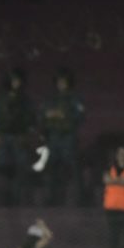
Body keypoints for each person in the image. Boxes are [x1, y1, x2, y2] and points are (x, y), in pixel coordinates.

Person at [0, 68, 37, 206]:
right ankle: (1, 199)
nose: (16, 83)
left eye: (18, 80)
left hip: (19, 137)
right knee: (1, 168)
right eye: (13, 80)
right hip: (3, 137)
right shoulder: (0, 99)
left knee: (20, 168)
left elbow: (31, 120)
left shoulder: (25, 101)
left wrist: (26, 135)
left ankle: (18, 199)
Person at [39, 68, 86, 206]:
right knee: (50, 168)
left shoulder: (74, 98)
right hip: (53, 137)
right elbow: (42, 115)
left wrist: (64, 115)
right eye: (59, 81)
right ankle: (50, 198)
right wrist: (49, 115)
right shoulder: (51, 98)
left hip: (68, 137)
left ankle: (79, 198)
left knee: (73, 167)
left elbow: (80, 115)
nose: (61, 84)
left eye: (64, 81)